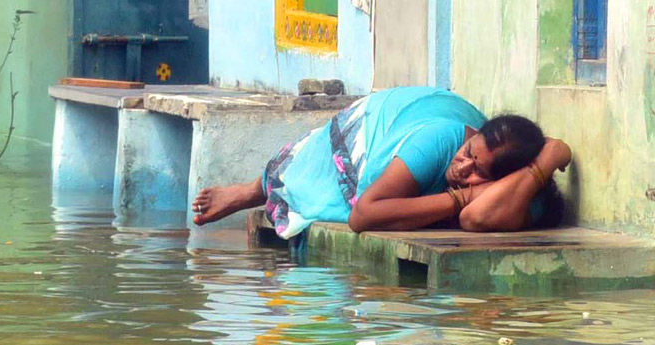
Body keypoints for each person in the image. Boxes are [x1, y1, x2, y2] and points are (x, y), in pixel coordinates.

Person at [191, 86, 570, 236]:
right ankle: (250, 190)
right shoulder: (441, 142)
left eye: (477, 173)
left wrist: (545, 162)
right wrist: (460, 197)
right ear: (473, 136)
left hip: (419, 123)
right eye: (469, 154)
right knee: (308, 166)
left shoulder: (524, 192)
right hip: (386, 121)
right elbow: (362, 216)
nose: (461, 168)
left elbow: (476, 219)